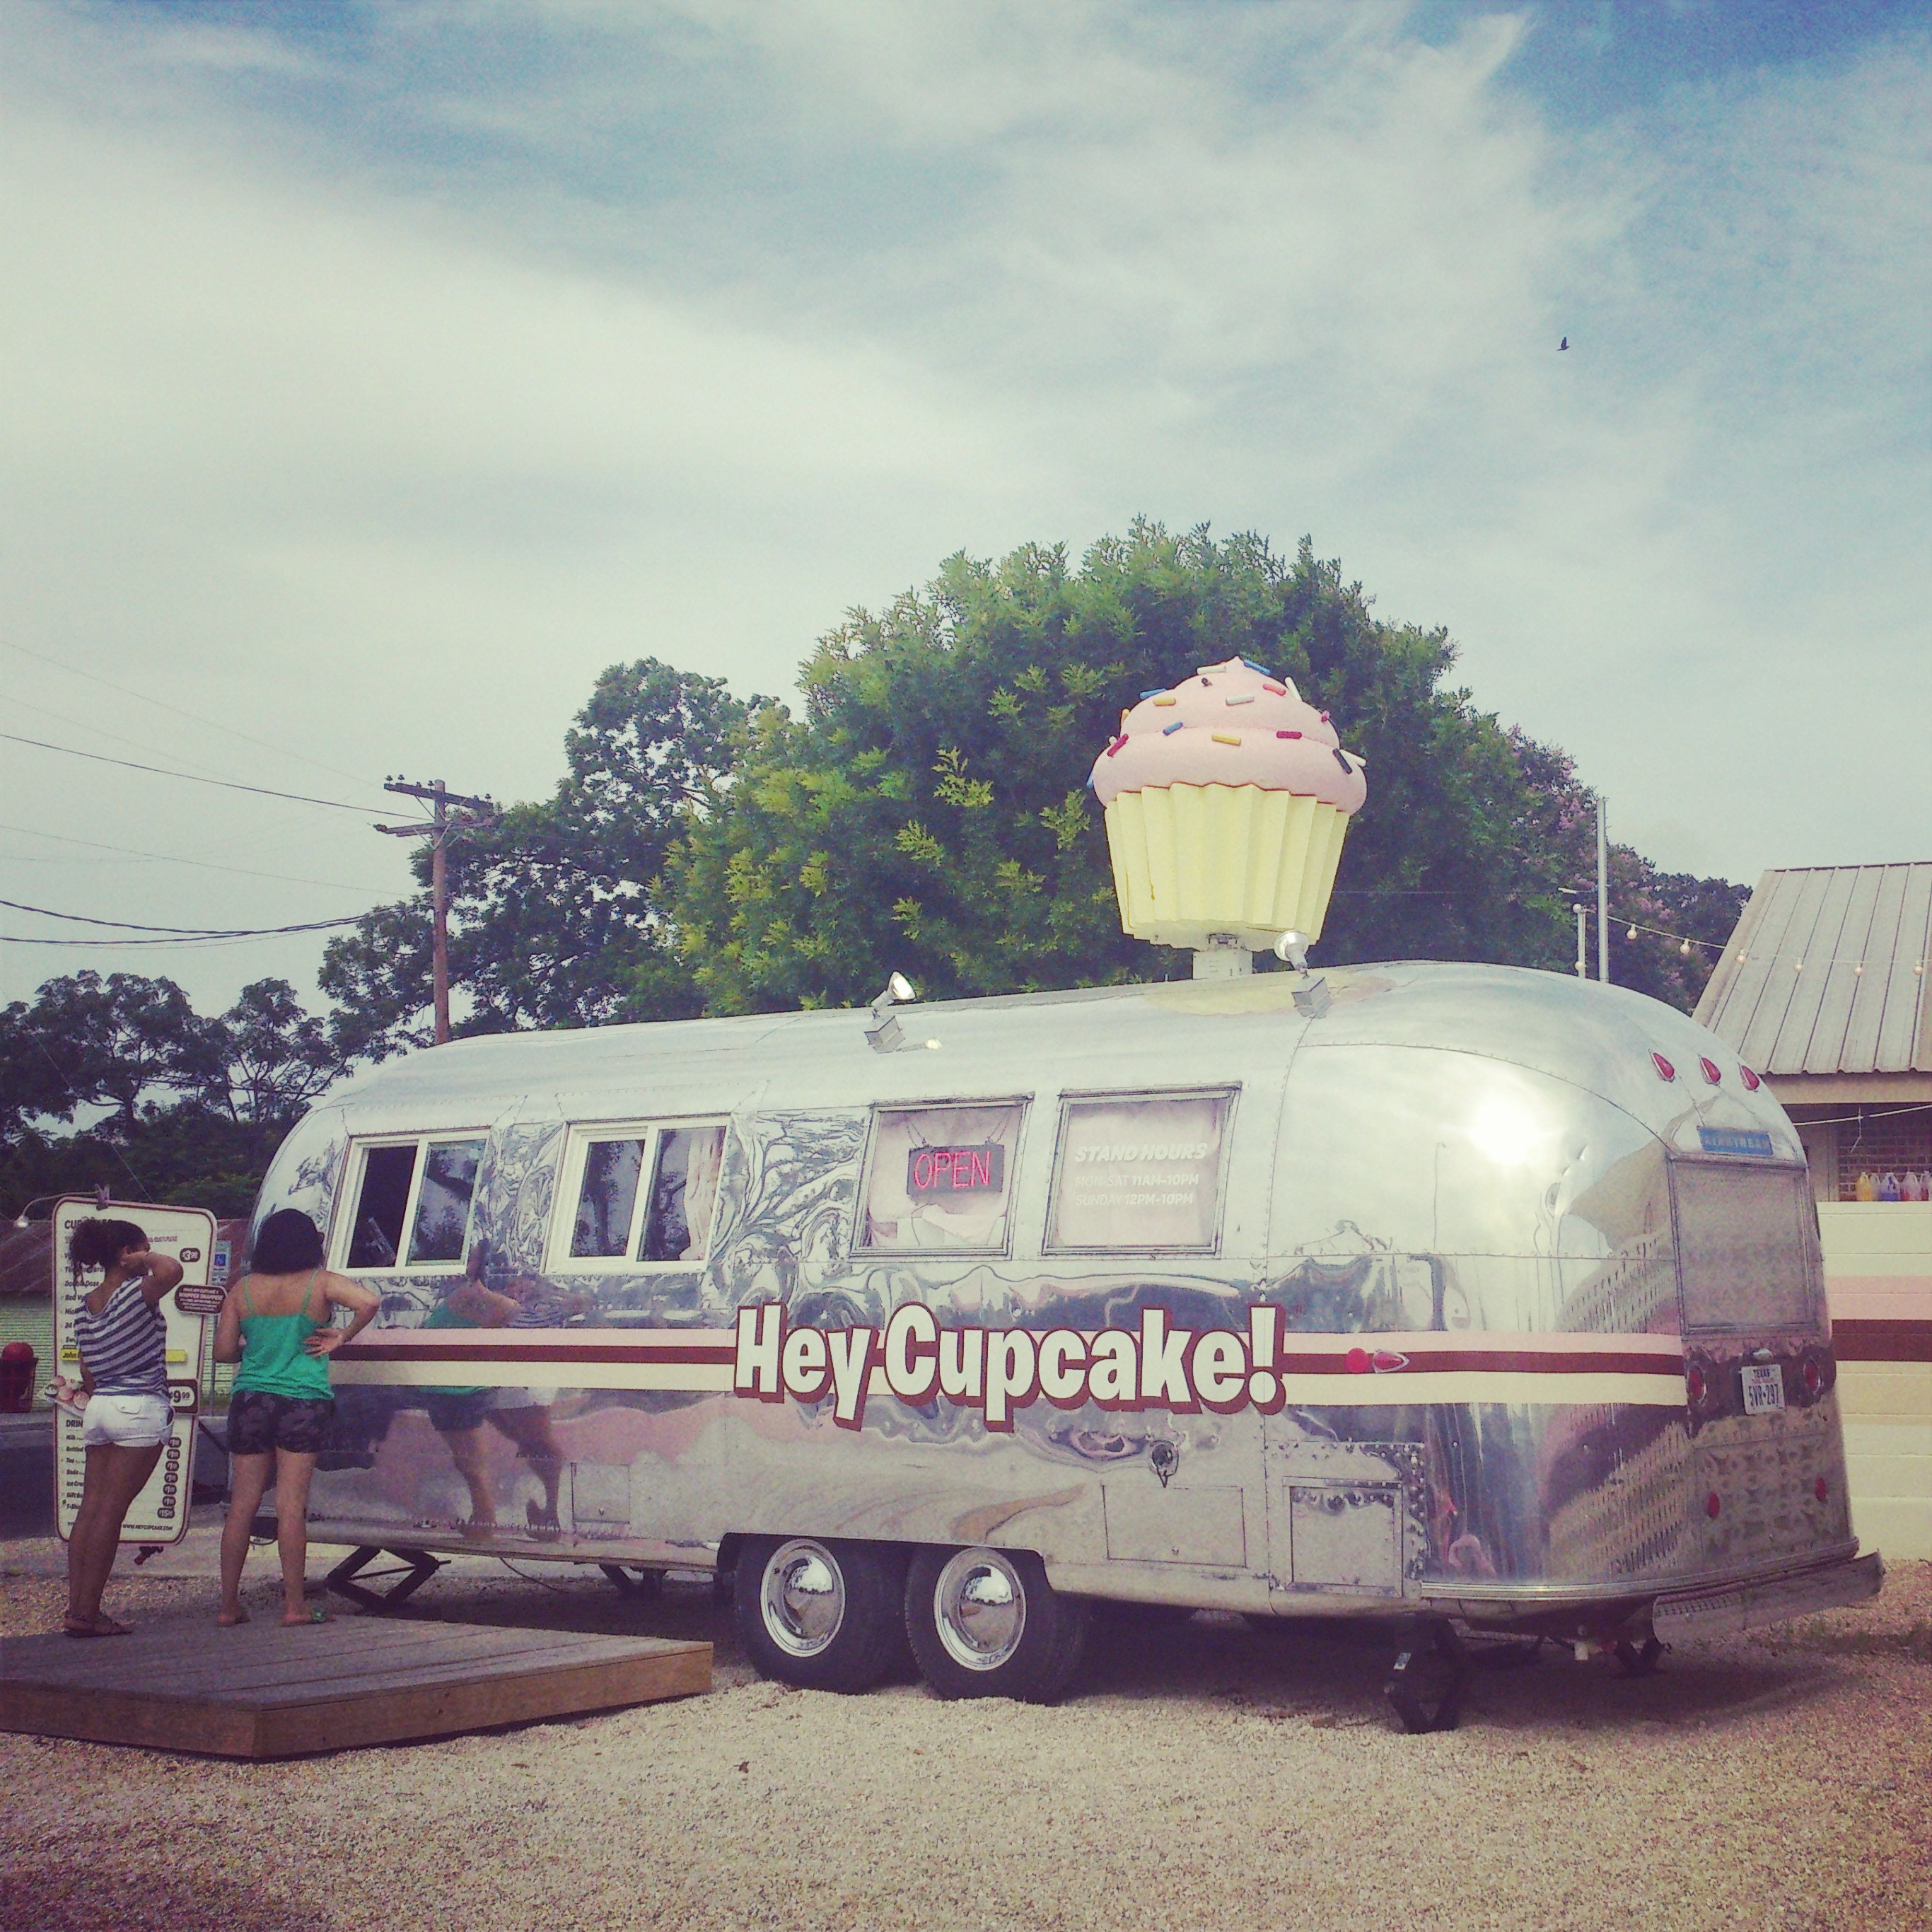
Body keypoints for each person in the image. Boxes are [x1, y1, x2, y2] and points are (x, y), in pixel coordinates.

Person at [215, 1209, 379, 1627]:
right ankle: (294, 1607)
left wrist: (256, 1352)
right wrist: (341, 1336)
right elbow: (369, 1301)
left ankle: (229, 1606)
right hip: (302, 1400)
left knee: (242, 1506)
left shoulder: (243, 1289)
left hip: (251, 1398)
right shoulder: (320, 1283)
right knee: (290, 1504)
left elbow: (223, 1352)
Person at [57, 1218, 184, 1636]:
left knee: (90, 1508)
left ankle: (78, 1609)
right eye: (142, 1247)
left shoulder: (88, 1303)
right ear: (126, 1254)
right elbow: (172, 1272)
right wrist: (140, 1259)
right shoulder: (137, 1291)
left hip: (100, 1408)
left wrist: (132, 1256)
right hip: (140, 1407)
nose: (148, 1256)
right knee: (112, 1512)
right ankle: (89, 1615)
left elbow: (88, 1374)